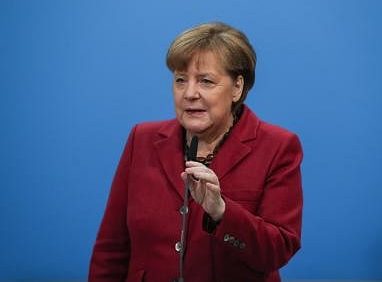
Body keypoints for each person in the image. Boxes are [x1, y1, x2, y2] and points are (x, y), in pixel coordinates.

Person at [89, 22, 303, 282]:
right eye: (180, 80)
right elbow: (112, 248)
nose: (189, 93)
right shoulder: (142, 139)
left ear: (237, 87)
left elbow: (277, 251)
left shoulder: (277, 146)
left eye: (206, 81)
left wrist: (222, 211)